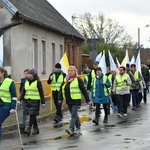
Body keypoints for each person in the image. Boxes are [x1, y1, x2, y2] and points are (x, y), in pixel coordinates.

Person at [58, 65, 90, 135]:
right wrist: (60, 99)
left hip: (76, 100)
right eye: (69, 71)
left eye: (72, 71)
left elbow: (83, 90)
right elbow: (61, 89)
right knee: (74, 114)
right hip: (68, 100)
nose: (70, 72)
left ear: (75, 72)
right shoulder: (66, 80)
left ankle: (71, 128)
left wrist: (88, 100)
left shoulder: (78, 80)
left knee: (73, 114)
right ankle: (78, 126)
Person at [18, 68, 45, 136]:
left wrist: (43, 102)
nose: (28, 75)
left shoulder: (37, 82)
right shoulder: (26, 81)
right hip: (28, 100)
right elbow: (23, 91)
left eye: (29, 74)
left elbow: (41, 92)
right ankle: (36, 129)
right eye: (27, 74)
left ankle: (29, 128)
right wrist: (19, 99)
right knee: (32, 115)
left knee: (32, 114)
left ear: (33, 75)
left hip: (35, 100)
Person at [0, 67, 17, 140]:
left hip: (6, 105)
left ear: (3, 73)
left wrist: (13, 107)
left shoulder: (9, 82)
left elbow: (14, 96)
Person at [19, 69, 29, 133]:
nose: (26, 74)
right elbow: (21, 90)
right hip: (25, 99)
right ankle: (24, 124)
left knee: (31, 112)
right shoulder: (23, 81)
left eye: (27, 73)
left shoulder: (32, 80)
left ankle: (31, 125)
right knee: (24, 112)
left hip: (31, 99)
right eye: (24, 73)